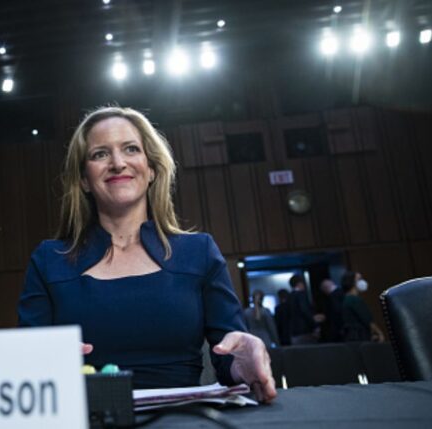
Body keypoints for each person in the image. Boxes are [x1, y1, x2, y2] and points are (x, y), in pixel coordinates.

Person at [17, 106, 276, 403]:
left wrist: (243, 366)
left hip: (186, 423)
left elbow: (229, 357)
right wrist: (41, 363)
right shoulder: (49, 259)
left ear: (151, 169)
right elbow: (28, 366)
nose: (117, 163)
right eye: (100, 154)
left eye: (131, 149)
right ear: (84, 180)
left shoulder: (199, 252)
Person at [341, 271, 385, 342]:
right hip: (359, 337)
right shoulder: (354, 299)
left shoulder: (346, 299)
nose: (362, 282)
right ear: (351, 282)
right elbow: (368, 320)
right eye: (359, 279)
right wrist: (379, 333)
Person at [287, 274, 324, 345]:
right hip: (305, 331)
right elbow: (305, 311)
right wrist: (314, 325)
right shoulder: (301, 295)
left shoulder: (290, 297)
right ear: (300, 283)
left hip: (294, 332)